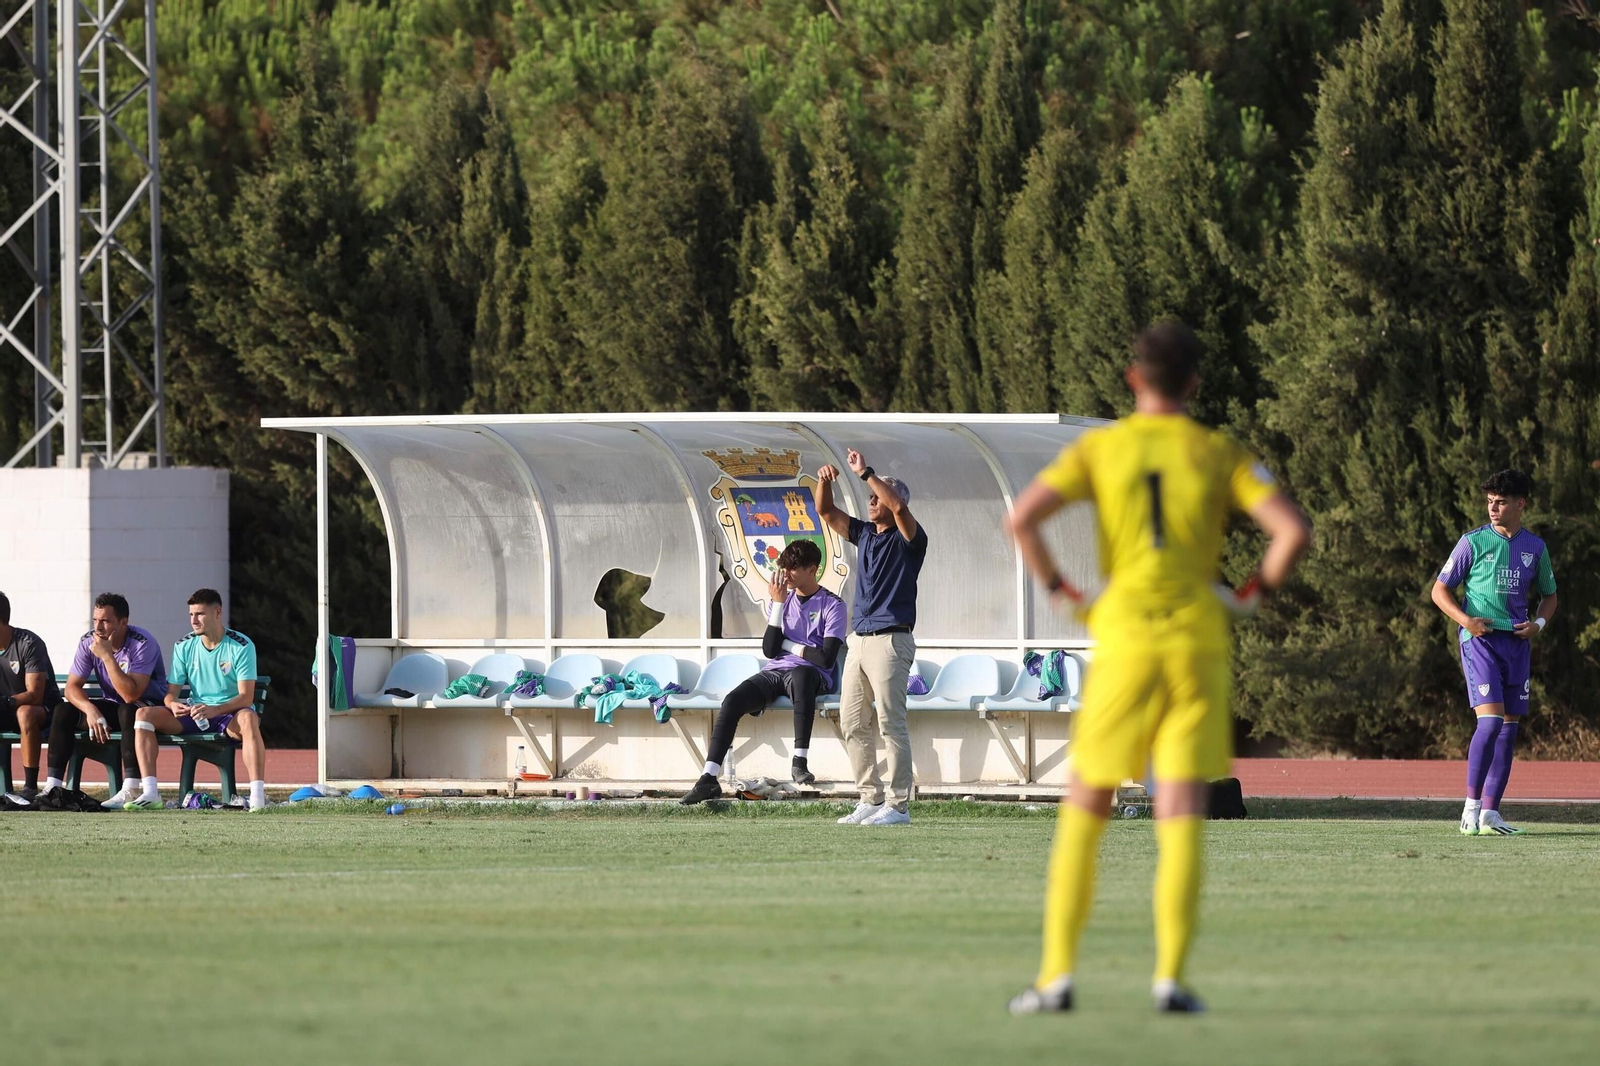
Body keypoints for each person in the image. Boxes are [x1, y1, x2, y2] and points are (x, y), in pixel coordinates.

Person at [1004, 321, 1311, 1015]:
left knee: (1088, 801)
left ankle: (1056, 979)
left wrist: (1064, 593)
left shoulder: (1103, 447)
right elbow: (1292, 531)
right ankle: (1169, 979)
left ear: (1132, 378)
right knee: (1178, 810)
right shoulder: (1217, 451)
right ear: (1194, 383)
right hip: (1196, 640)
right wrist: (1248, 595)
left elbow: (1022, 519)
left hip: (1124, 634)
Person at [1432, 469, 1557, 837]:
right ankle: (1470, 810)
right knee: (1489, 723)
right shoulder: (1472, 542)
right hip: (1481, 641)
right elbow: (1439, 591)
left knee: (1508, 731)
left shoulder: (1535, 548)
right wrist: (1466, 621)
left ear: (1521, 504)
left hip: (1517, 644)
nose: (1493, 508)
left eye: (1500, 502)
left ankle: (1490, 815)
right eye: (1489, 501)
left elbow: (1550, 596)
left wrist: (1538, 625)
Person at [680, 540, 847, 805]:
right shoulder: (780, 600)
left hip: (811, 675)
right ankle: (708, 778)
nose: (786, 575)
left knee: (802, 675)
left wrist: (787, 644)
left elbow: (825, 659)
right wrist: (778, 604)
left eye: (793, 568)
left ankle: (799, 761)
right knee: (732, 700)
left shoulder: (832, 605)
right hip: (776, 671)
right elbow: (770, 650)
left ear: (812, 569)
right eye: (784, 568)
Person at [813, 448, 927, 827]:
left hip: (891, 641)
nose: (872, 500)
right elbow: (825, 511)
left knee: (891, 724)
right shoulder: (864, 533)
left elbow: (898, 507)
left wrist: (866, 473)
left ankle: (898, 806)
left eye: (878, 496)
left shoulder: (911, 538)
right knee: (851, 722)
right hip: (859, 640)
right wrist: (824, 482)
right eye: (871, 496)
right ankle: (870, 797)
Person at [123, 589, 266, 811]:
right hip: (196, 715)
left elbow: (246, 697)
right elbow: (170, 694)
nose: (194, 620)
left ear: (217, 613)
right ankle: (150, 793)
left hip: (229, 715)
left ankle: (257, 798)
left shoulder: (241, 645)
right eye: (191, 614)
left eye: (200, 614)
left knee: (249, 718)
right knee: (143, 715)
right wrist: (173, 704)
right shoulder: (183, 645)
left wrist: (215, 709)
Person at [45, 593, 170, 808]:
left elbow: (131, 695)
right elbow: (72, 687)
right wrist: (90, 710)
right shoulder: (88, 641)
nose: (98, 627)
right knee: (63, 710)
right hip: (113, 706)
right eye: (95, 620)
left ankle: (131, 788)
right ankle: (52, 787)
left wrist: (106, 656)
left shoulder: (143, 643)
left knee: (128, 710)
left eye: (105, 621)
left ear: (123, 622)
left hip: (148, 708)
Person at [0, 591, 61, 801]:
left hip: (45, 710)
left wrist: (6, 702)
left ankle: (29, 787)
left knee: (25, 713)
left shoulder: (28, 643)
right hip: (7, 709)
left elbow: (35, 695)